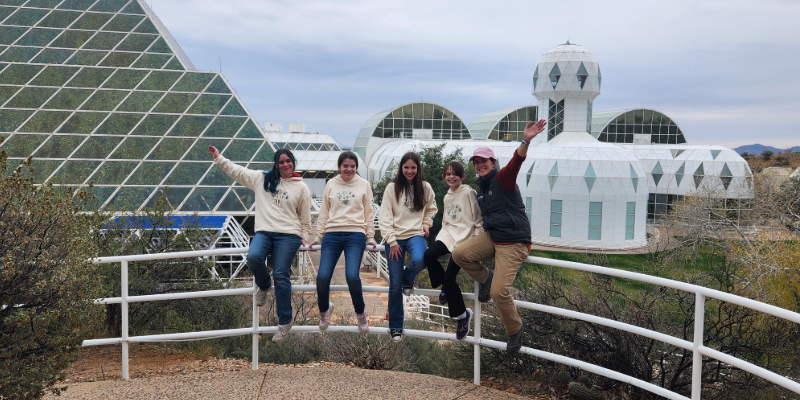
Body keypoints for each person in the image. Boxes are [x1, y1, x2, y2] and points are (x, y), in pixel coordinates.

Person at [451, 119, 546, 353]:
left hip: (513, 242)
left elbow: (517, 161)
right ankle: (486, 276)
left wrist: (525, 140)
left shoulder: (503, 178)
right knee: (459, 254)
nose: (480, 165)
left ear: (493, 162)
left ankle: (514, 329)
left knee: (498, 292)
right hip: (494, 238)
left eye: (484, 161)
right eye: (476, 162)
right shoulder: (482, 187)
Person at [208, 145, 311, 344]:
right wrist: (219, 159)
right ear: (276, 164)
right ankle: (264, 284)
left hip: (289, 235)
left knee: (281, 273)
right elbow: (238, 172)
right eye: (281, 162)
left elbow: (304, 217)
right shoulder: (262, 179)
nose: (285, 164)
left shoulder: (301, 187)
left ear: (293, 162)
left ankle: (285, 321)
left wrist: (304, 236)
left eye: (288, 161)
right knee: (253, 257)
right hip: (264, 231)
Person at [310, 151, 377, 333]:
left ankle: (361, 313)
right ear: (339, 167)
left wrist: (370, 237)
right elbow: (324, 212)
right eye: (345, 166)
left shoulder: (363, 184)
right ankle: (324, 309)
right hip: (332, 234)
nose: (349, 169)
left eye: (352, 166)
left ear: (356, 168)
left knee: (352, 276)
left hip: (355, 234)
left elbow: (369, 213)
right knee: (322, 276)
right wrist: (318, 237)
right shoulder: (331, 184)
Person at [378, 152, 437, 342]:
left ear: (418, 168)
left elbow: (431, 209)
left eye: (413, 167)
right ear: (401, 168)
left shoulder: (425, 188)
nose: (410, 171)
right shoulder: (392, 188)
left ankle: (407, 278)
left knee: (421, 259)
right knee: (394, 285)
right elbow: (384, 217)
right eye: (406, 167)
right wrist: (392, 241)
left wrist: (426, 224)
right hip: (394, 237)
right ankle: (396, 326)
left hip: (414, 234)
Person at [423, 161, 483, 340]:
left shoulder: (468, 192)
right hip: (448, 234)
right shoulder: (447, 195)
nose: (451, 176)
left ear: (462, 177)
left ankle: (463, 316)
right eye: (448, 174)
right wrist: (442, 234)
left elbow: (478, 218)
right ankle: (445, 288)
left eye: (455, 174)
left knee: (449, 280)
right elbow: (447, 218)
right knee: (428, 255)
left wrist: (475, 240)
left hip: (464, 239)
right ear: (444, 177)